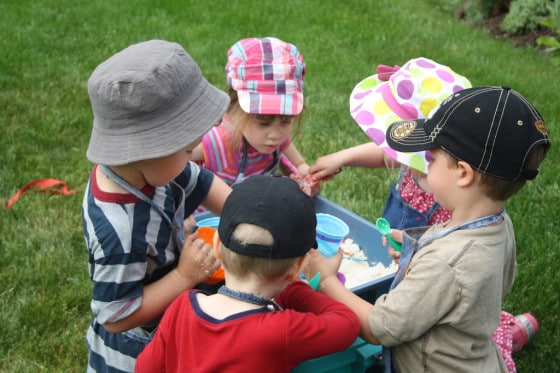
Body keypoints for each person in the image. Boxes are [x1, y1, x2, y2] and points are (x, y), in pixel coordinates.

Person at [307, 85, 551, 372]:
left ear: (463, 173)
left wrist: (325, 279)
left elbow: (380, 328)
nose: (423, 167)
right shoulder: (497, 223)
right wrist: (415, 250)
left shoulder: (446, 264)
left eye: (432, 160)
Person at [82, 39, 232, 372]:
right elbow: (115, 316)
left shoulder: (156, 169)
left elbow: (204, 184)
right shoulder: (119, 236)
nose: (194, 155)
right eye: (185, 150)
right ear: (142, 151)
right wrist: (184, 276)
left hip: (169, 320)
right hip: (137, 349)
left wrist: (246, 214)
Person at [135, 175, 360, 372]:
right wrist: (295, 286)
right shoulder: (280, 331)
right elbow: (348, 324)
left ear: (218, 247)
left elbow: (145, 367)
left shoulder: (182, 306)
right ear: (298, 267)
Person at [191, 37, 317, 194]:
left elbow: (299, 166)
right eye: (263, 122)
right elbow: (172, 164)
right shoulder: (216, 142)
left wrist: (306, 178)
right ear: (234, 106)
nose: (276, 135)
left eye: (286, 121)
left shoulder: (277, 138)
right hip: (211, 217)